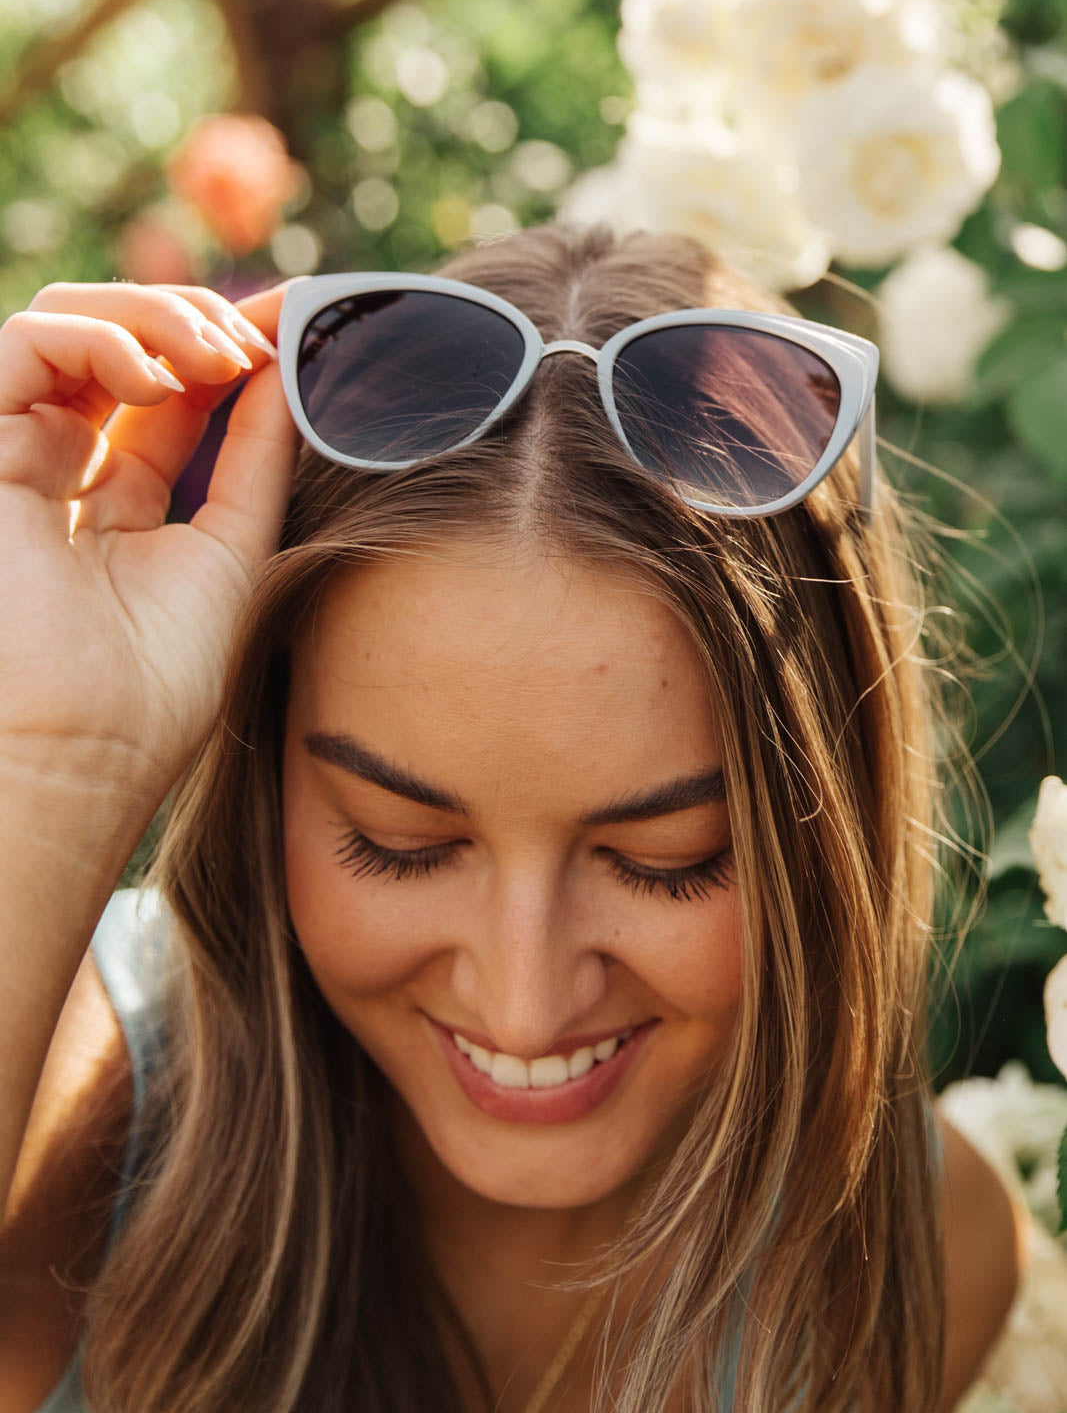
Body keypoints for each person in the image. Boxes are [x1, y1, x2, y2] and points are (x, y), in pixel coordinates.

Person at [0, 224, 1023, 1413]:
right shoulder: (70, 1093)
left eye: (666, 862)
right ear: (265, 774)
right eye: (400, 840)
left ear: (820, 826)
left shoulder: (916, 1246)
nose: (522, 1002)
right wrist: (50, 768)